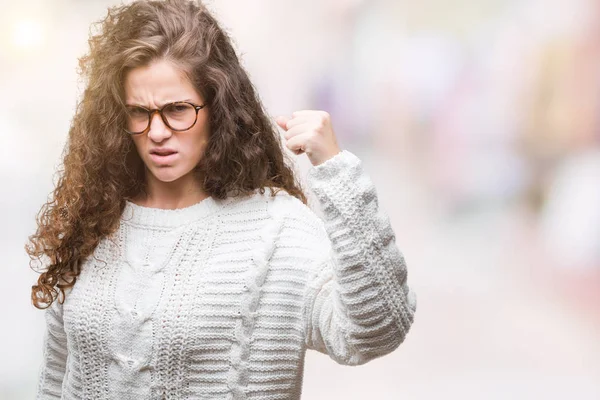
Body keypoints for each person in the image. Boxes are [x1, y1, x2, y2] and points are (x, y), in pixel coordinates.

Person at [26, 0, 417, 398]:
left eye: (177, 110)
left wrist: (336, 170)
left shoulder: (275, 232)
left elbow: (376, 330)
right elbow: (57, 380)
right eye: (139, 112)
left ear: (219, 108)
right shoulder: (95, 218)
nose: (157, 131)